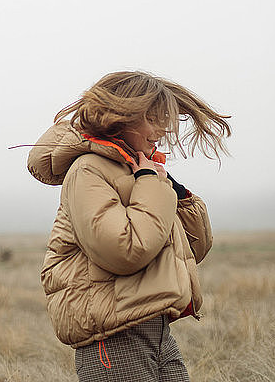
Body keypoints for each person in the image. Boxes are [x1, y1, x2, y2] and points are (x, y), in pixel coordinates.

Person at [27, 71, 231, 381]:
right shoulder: (88, 170)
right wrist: (151, 185)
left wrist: (173, 190)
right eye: (152, 118)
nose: (161, 129)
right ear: (119, 117)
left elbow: (193, 248)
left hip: (154, 328)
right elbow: (125, 250)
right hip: (112, 336)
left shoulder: (138, 170)